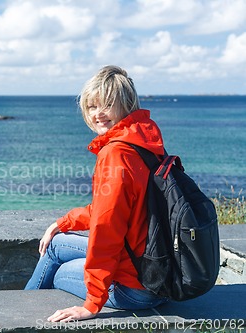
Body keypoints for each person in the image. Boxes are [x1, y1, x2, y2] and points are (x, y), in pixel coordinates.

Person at [24, 65, 169, 322]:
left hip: (136, 288)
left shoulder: (115, 154)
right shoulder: (145, 142)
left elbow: (106, 229)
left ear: (126, 104)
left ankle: (19, 319)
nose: (98, 114)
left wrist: (92, 304)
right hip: (159, 273)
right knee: (56, 243)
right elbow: (112, 207)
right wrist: (63, 222)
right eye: (92, 106)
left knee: (58, 272)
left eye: (107, 104)